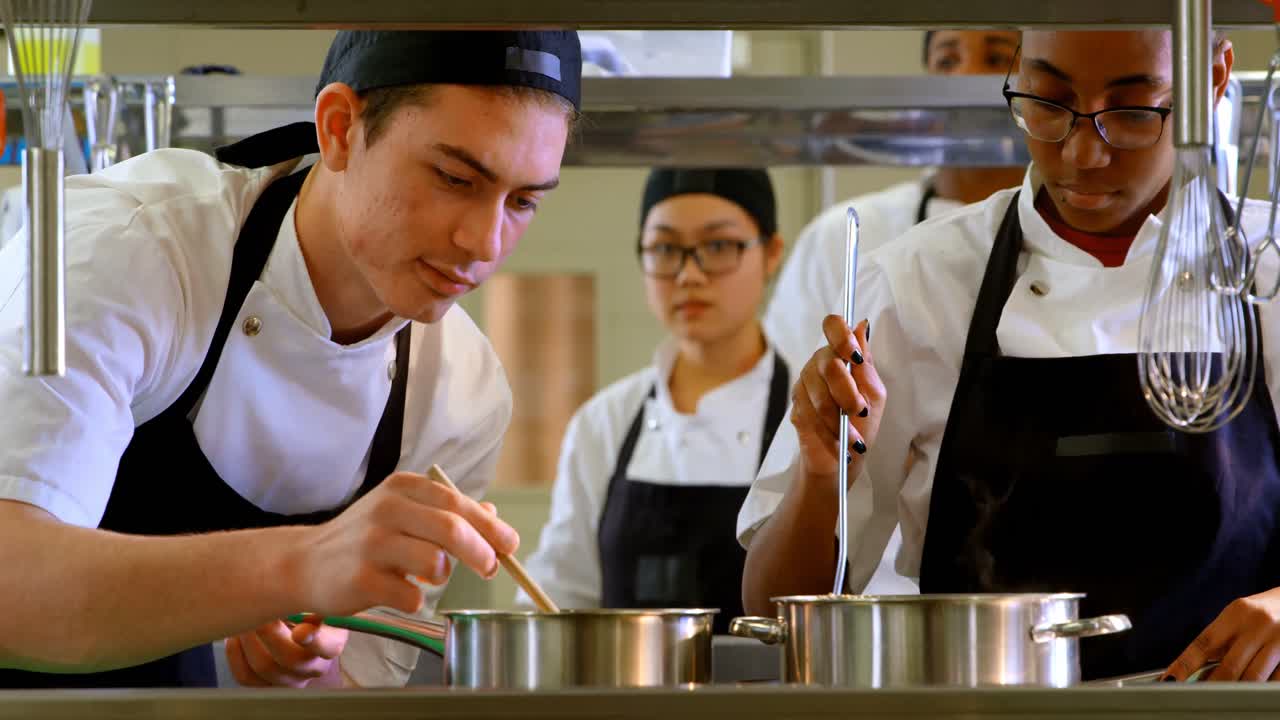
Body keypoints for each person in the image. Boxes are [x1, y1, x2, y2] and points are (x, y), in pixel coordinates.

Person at [0, 29, 581, 689]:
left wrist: (312, 669)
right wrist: (298, 565)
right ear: (338, 129)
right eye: (453, 177)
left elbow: (360, 687)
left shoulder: (463, 390)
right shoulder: (129, 250)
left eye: (524, 201)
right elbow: (9, 589)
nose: (483, 241)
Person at [740, 28, 1280, 682]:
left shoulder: (1266, 265)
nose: (1083, 152)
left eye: (1133, 113)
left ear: (1214, 77)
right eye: (1049, 102)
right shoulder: (920, 283)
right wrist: (821, 477)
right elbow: (774, 607)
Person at [521, 169, 787, 632]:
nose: (689, 274)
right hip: (623, 700)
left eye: (719, 246)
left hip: (769, 701)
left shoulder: (806, 417)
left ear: (771, 254)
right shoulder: (605, 421)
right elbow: (560, 595)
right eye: (665, 250)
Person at [763, 29, 1025, 373]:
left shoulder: (1068, 229)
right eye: (947, 61)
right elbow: (789, 394)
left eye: (995, 60)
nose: (965, 77)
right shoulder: (842, 236)